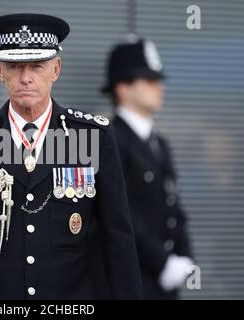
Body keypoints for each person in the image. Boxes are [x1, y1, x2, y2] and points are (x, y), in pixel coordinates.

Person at [0, 13, 142, 299]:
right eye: (14, 66)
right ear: (0, 70)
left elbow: (117, 240)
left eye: (37, 66)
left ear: (56, 69)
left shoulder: (92, 137)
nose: (25, 78)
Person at [101, 36, 193, 299]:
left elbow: (172, 203)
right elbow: (120, 212)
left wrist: (184, 256)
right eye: (151, 80)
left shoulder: (159, 143)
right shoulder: (111, 140)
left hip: (164, 283)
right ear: (123, 88)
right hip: (134, 281)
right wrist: (162, 261)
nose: (160, 87)